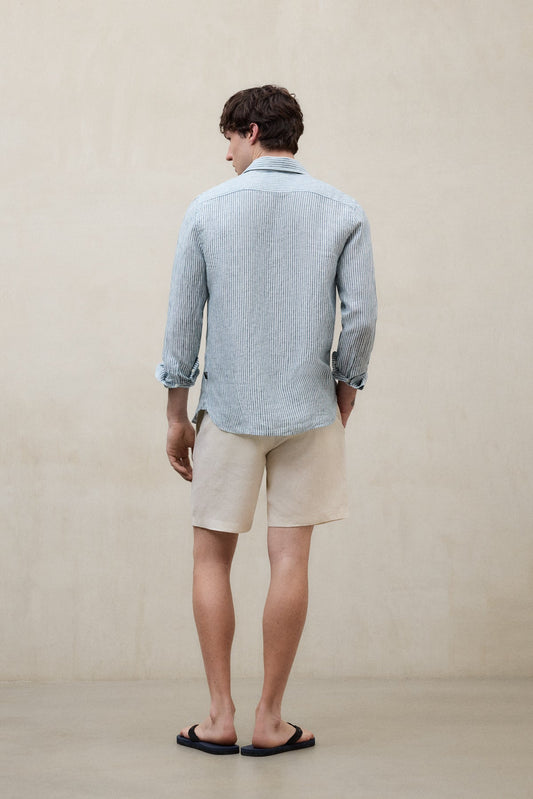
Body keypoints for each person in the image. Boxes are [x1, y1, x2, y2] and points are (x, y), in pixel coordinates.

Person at [155, 85, 377, 756]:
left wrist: (176, 413)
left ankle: (219, 716)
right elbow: (361, 318)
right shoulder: (342, 210)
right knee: (290, 559)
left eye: (229, 139)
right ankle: (270, 719)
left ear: (251, 131)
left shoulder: (208, 209)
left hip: (228, 410)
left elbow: (182, 320)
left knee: (210, 557)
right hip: (308, 409)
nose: (226, 154)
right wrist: (345, 387)